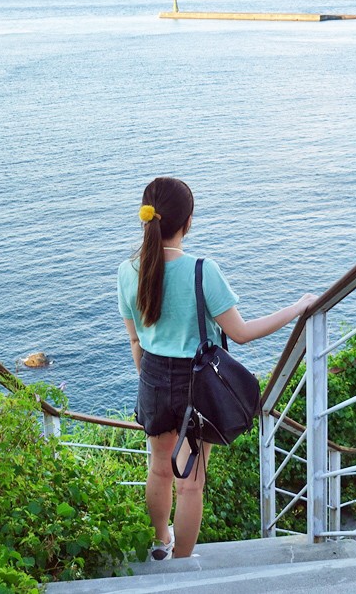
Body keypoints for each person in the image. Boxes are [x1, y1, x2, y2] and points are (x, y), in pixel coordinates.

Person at [117, 176, 316, 560]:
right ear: (187, 222)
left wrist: (150, 381)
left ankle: (160, 542)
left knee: (158, 470)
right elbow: (240, 334)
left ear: (147, 219)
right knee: (189, 484)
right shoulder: (202, 270)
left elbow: (136, 341)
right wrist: (296, 307)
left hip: (153, 378)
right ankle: (182, 565)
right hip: (196, 385)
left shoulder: (128, 270)